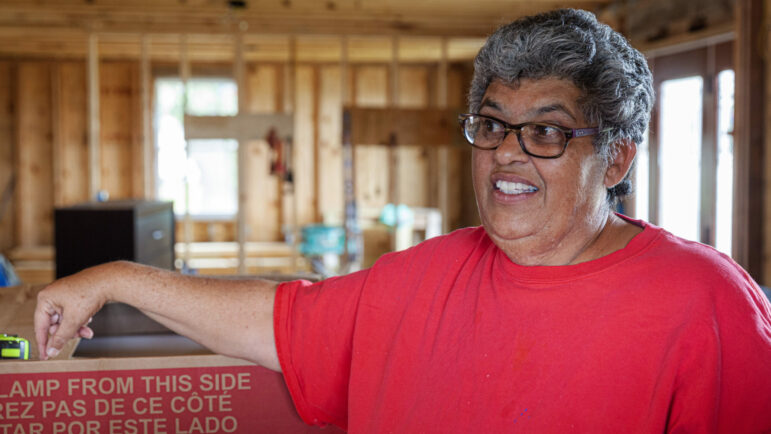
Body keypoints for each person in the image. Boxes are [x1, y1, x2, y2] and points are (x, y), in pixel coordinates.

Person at [35, 8, 771, 433]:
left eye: (545, 132)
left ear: (614, 161)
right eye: (491, 124)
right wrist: (116, 279)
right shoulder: (426, 275)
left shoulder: (704, 306)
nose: (506, 157)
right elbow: (277, 321)